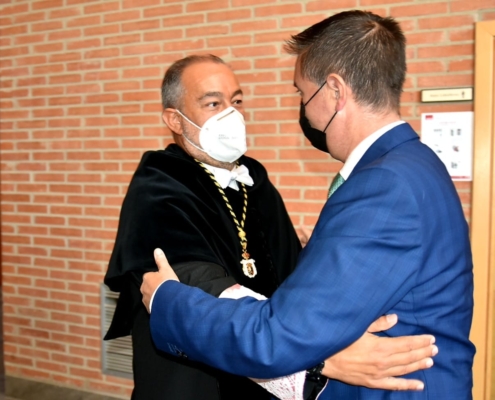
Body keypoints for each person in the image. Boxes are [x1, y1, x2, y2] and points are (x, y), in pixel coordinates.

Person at [141, 10, 475, 400]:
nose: (303, 106)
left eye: (302, 92)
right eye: (214, 104)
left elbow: (275, 339)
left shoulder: (384, 186)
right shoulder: (415, 162)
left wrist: (168, 300)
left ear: (334, 91)